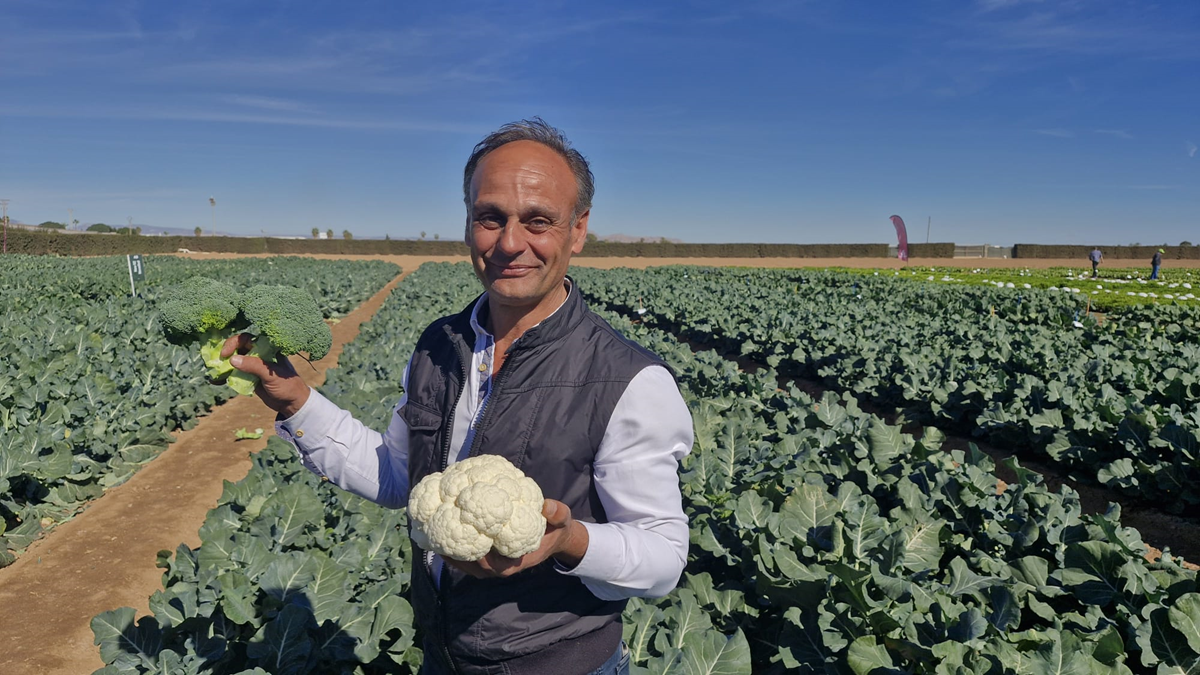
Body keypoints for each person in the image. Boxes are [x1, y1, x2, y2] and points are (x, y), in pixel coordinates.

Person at [220, 118, 693, 675]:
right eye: (489, 217)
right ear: (468, 222)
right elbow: (398, 477)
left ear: (578, 229)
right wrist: (295, 399)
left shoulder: (628, 380)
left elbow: (663, 558)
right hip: (442, 655)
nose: (510, 242)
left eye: (538, 221)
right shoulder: (438, 346)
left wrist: (571, 540)